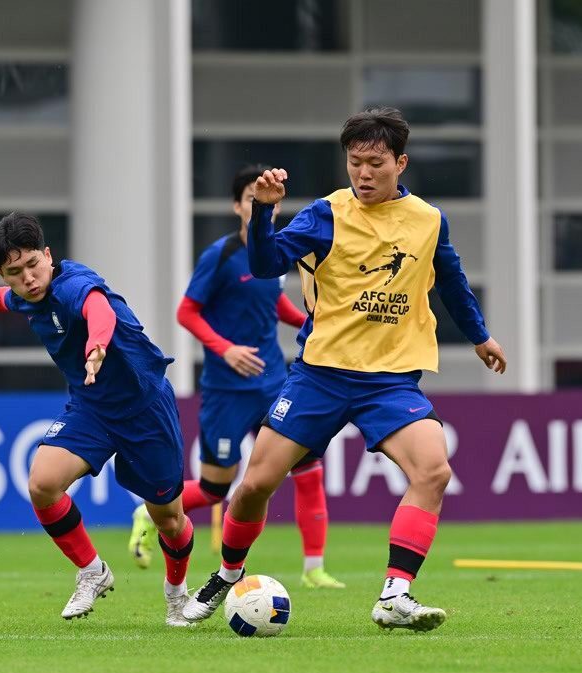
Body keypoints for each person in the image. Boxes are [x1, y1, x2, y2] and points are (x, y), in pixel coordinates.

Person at [183, 108, 507, 631]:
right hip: (320, 375)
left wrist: (480, 336)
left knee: (434, 470)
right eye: (355, 163)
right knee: (253, 487)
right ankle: (226, 573)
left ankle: (394, 595)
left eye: (376, 163)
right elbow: (266, 265)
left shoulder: (427, 220)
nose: (363, 173)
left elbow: (450, 281)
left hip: (390, 380)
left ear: (400, 162)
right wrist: (265, 214)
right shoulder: (326, 214)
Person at [0, 212, 196, 627]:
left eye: (33, 264)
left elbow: (99, 310)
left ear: (49, 256)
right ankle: (92, 571)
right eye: (14, 272)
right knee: (42, 484)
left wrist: (97, 346)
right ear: (4, 274)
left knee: (169, 518)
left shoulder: (72, 286)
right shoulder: (21, 294)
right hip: (91, 407)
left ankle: (177, 596)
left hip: (144, 409)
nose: (28, 278)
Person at [128, 165, 344, 589]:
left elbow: (273, 303)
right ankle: (148, 510)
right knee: (214, 489)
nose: (260, 203)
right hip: (227, 390)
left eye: (268, 199)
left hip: (274, 384)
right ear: (236, 205)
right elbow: (186, 312)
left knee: (309, 470)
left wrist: (314, 320)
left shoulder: (280, 253)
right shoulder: (220, 255)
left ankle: (314, 568)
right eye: (250, 196)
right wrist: (225, 348)